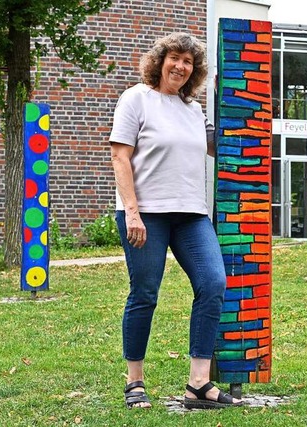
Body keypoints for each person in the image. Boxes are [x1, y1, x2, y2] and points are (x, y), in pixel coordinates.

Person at [108, 32, 242, 410]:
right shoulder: (136, 99)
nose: (181, 66)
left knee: (213, 283)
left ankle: (198, 383)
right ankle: (135, 381)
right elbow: (120, 157)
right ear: (159, 60)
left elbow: (219, 145)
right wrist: (131, 212)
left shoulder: (193, 109)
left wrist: (237, 107)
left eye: (189, 62)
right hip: (146, 214)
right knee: (145, 293)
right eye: (175, 58)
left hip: (191, 214)